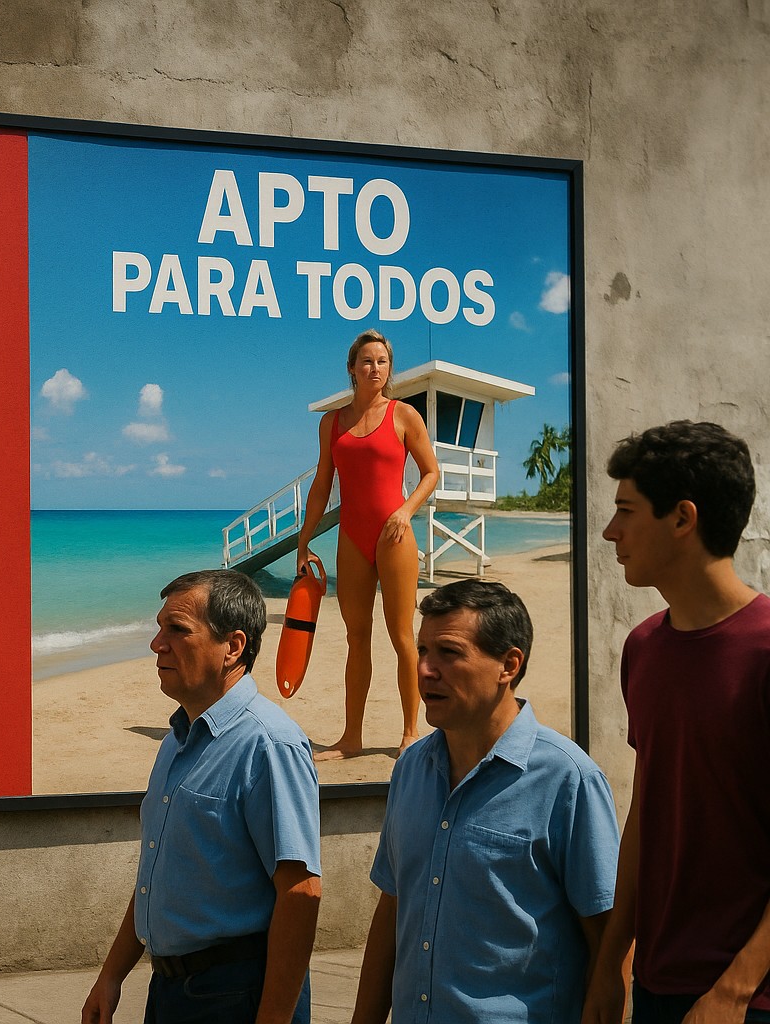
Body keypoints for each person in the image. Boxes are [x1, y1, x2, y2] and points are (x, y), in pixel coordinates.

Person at [351, 579, 618, 1024]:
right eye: (421, 651)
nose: (425, 670)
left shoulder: (568, 779)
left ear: (508, 665)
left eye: (449, 653)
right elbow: (393, 906)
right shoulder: (411, 768)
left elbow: (609, 942)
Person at [584, 421, 770, 1024]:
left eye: (626, 511)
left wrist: (734, 992)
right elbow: (649, 806)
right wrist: (612, 962)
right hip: (657, 981)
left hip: (751, 996)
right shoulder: (643, 646)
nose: (611, 531)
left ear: (683, 519)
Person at [83, 569, 321, 1024]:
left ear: (232, 647)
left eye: (177, 630)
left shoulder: (269, 744)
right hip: (172, 990)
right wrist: (112, 976)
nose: (157, 644)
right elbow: (160, 872)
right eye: (158, 628)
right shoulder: (178, 739)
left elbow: (301, 892)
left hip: (235, 992)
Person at [296, 329, 439, 760]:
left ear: (388, 369)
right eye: (367, 361)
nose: (375, 368)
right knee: (357, 639)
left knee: (401, 635)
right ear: (352, 369)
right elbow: (323, 484)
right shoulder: (332, 422)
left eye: (382, 361)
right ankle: (351, 738)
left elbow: (431, 473)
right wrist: (304, 542)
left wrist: (405, 510)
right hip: (351, 539)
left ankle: (411, 733)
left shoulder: (404, 415)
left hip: (394, 535)